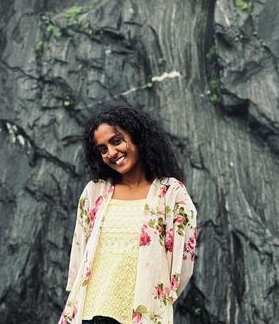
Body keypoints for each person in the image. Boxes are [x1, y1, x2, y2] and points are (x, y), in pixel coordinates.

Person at [59, 104, 197, 324]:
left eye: (116, 141)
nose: (111, 153)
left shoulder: (171, 193)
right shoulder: (95, 192)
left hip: (140, 315)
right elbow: (80, 252)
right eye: (103, 149)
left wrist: (156, 301)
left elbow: (182, 263)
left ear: (137, 138)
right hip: (89, 313)